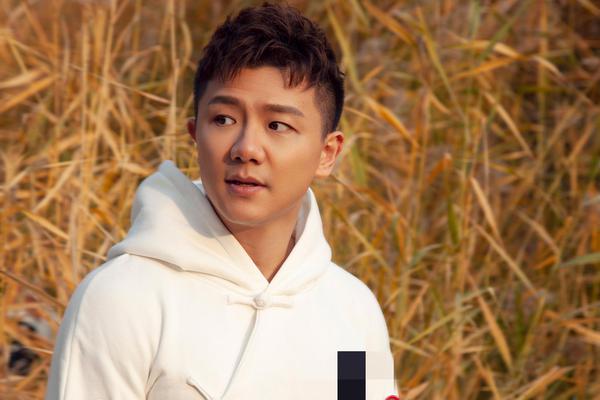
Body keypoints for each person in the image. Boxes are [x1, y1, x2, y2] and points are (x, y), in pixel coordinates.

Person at [44, 2, 397, 399]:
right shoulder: (122, 299)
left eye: (278, 125)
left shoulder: (354, 311)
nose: (246, 148)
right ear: (195, 134)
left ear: (327, 154)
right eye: (224, 119)